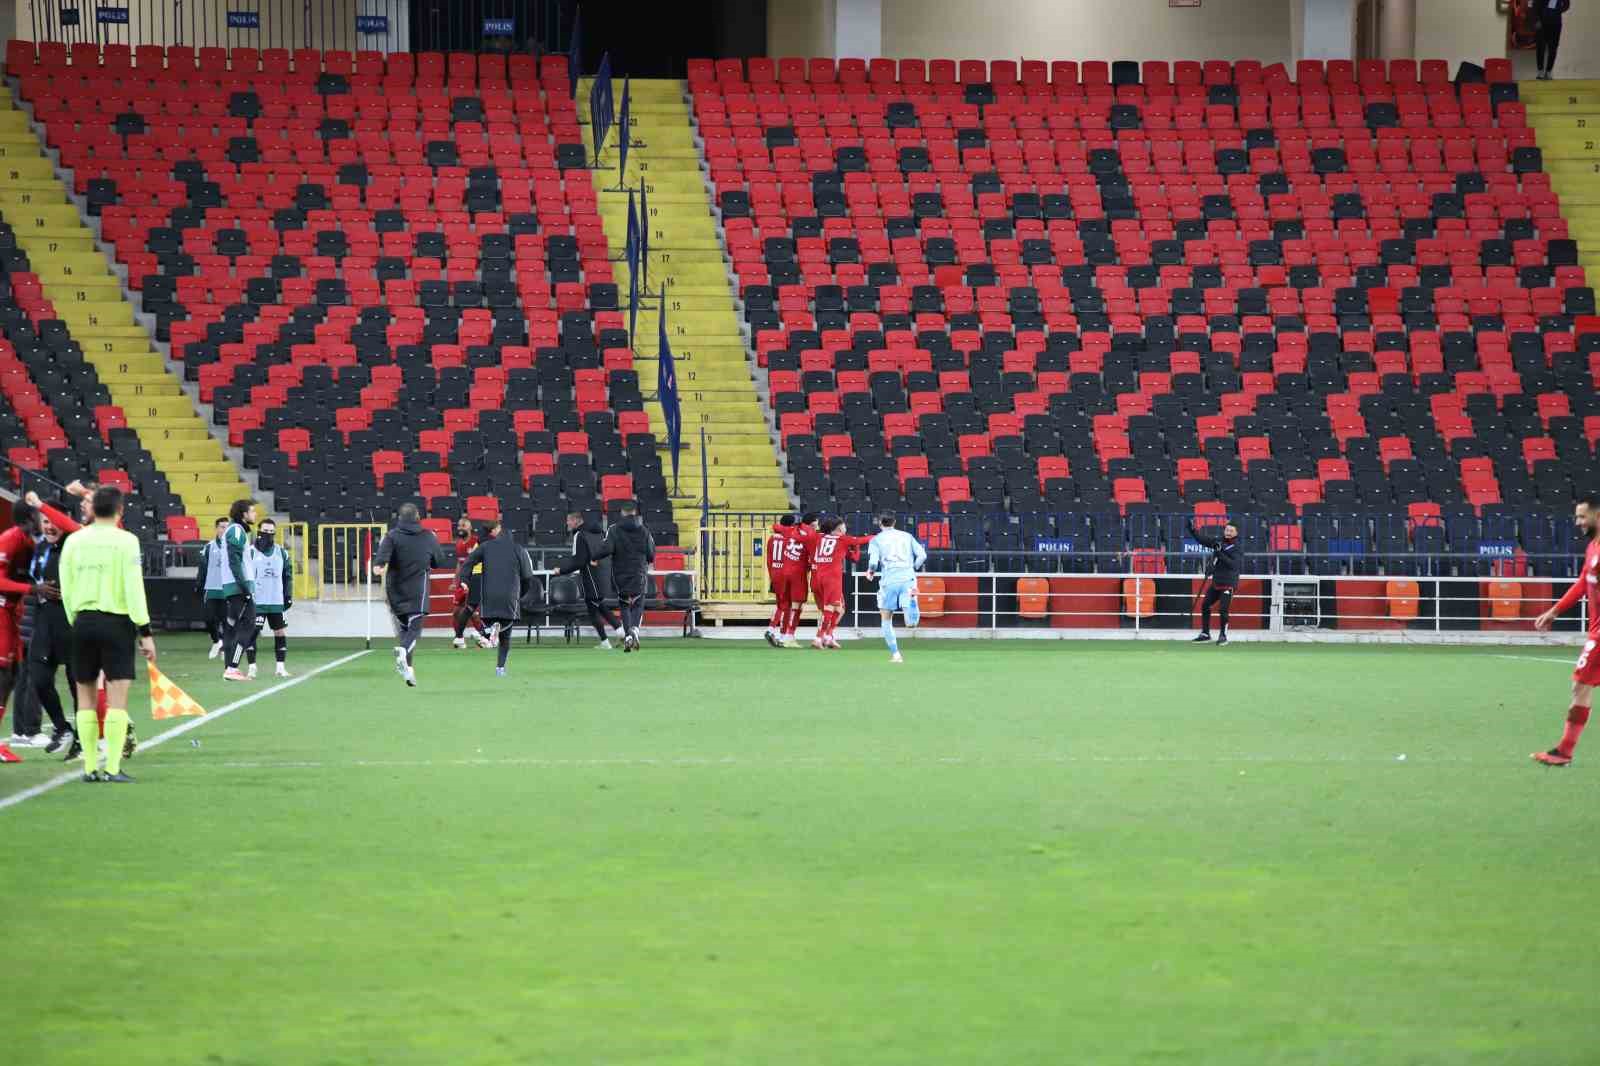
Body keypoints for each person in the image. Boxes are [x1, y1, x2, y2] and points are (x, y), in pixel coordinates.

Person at [60, 486, 155, 783]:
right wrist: (145, 631)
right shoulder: (127, 541)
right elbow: (133, 587)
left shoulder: (74, 541)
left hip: (83, 622)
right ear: (120, 511)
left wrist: (75, 619)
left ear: (91, 509)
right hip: (117, 624)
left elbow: (67, 586)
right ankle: (112, 767)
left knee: (85, 698)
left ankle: (89, 767)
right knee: (117, 700)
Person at [1532, 493, 1600, 765]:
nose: (1578, 522)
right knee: (1580, 687)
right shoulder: (1593, 547)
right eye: (1577, 516)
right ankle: (1564, 751)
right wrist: (1554, 611)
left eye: (1582, 516)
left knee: (1580, 686)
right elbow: (1583, 583)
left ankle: (1564, 752)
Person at [371, 502, 451, 687]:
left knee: (405, 631)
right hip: (418, 591)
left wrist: (378, 567)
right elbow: (439, 562)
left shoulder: (391, 536)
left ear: (400, 518)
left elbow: (380, 562)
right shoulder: (428, 537)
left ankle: (409, 671)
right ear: (418, 518)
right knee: (414, 630)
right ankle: (403, 651)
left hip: (395, 592)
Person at [457, 520, 533, 677]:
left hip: (489, 594)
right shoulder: (519, 549)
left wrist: (464, 580)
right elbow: (527, 576)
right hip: (510, 596)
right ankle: (500, 668)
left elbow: (468, 563)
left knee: (488, 620)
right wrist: (520, 595)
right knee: (506, 636)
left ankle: (488, 631)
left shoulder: (486, 547)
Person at [592, 500, 655, 653]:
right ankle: (634, 630)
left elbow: (606, 548)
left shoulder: (614, 530)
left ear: (622, 513)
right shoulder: (644, 530)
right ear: (635, 513)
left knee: (625, 604)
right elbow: (651, 554)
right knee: (638, 603)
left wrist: (594, 557)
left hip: (620, 575)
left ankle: (628, 636)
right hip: (639, 574)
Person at [867, 513, 926, 663]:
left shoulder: (876, 540)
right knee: (910, 624)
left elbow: (873, 562)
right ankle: (912, 600)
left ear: (880, 523)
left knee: (886, 618)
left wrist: (871, 572)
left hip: (889, 581)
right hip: (908, 578)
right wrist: (914, 567)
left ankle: (896, 654)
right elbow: (922, 555)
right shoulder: (907, 536)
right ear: (894, 522)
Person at [557, 511, 621, 648]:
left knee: (593, 609)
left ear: (576, 521)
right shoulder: (600, 533)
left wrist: (561, 571)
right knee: (599, 605)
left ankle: (608, 639)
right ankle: (618, 632)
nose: (567, 523)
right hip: (603, 574)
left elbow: (579, 561)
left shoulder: (579, 535)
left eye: (569, 520)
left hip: (590, 576)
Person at [808, 517, 873, 650]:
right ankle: (819, 637)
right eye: (844, 526)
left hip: (818, 576)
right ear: (839, 528)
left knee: (839, 609)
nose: (846, 528)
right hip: (832, 578)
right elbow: (862, 540)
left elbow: (854, 556)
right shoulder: (843, 539)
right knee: (829, 608)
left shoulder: (820, 537)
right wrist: (877, 536)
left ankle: (828, 636)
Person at [242, 518, 293, 679]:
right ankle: (252, 667)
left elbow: (287, 576)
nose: (268, 534)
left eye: (272, 532)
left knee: (280, 632)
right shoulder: (250, 552)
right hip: (257, 602)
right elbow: (244, 575)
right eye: (265, 531)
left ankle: (280, 667)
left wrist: (288, 595)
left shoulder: (281, 552)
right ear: (258, 531)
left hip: (276, 601)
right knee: (252, 632)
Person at [215, 499, 258, 681]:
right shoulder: (237, 531)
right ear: (244, 514)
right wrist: (244, 587)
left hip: (235, 586)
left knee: (234, 626)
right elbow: (234, 561)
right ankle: (232, 668)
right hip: (238, 586)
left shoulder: (237, 531)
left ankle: (230, 667)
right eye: (252, 511)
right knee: (248, 625)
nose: (255, 514)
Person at [1187, 518, 1242, 646]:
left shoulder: (1237, 547)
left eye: (1231, 531)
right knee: (1205, 605)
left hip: (1229, 583)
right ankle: (1205, 633)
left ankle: (1223, 635)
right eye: (1227, 530)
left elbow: (1233, 565)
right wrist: (1192, 530)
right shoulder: (1218, 541)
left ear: (1236, 533)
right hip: (1216, 582)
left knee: (1223, 610)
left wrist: (1220, 554)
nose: (1228, 532)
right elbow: (1203, 540)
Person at [768, 512, 819, 648]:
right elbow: (813, 559)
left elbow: (775, 526)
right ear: (813, 524)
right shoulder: (812, 535)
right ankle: (788, 636)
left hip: (782, 572)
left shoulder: (791, 530)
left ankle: (779, 633)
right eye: (816, 524)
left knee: (785, 605)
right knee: (797, 606)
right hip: (798, 573)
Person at [450, 517, 494, 650]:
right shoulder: (458, 544)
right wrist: (455, 580)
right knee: (457, 612)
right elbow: (460, 563)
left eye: (463, 525)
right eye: (459, 526)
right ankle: (460, 637)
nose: (460, 528)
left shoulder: (476, 541)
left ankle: (483, 636)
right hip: (463, 580)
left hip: (473, 579)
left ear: (470, 528)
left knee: (472, 611)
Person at [197, 517, 228, 658]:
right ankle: (217, 641)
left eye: (227, 527)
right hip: (211, 589)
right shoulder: (209, 547)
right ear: (216, 528)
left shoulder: (234, 547)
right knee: (209, 619)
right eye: (222, 527)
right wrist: (199, 585)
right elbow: (202, 568)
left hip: (228, 590)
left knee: (226, 621)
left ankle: (225, 648)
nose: (224, 530)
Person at [764, 515, 796, 647]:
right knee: (787, 606)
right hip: (786, 574)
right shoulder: (790, 539)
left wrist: (772, 574)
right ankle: (776, 632)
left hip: (774, 574)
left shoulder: (771, 539)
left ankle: (777, 633)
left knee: (781, 605)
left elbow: (769, 560)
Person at [1536, 0, 1571, 79]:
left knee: (1553, 48)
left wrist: (1558, 10)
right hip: (1542, 22)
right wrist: (1537, 20)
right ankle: (1540, 71)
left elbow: (1567, 5)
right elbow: (1536, 5)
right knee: (1540, 47)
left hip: (1556, 23)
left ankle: (1549, 71)